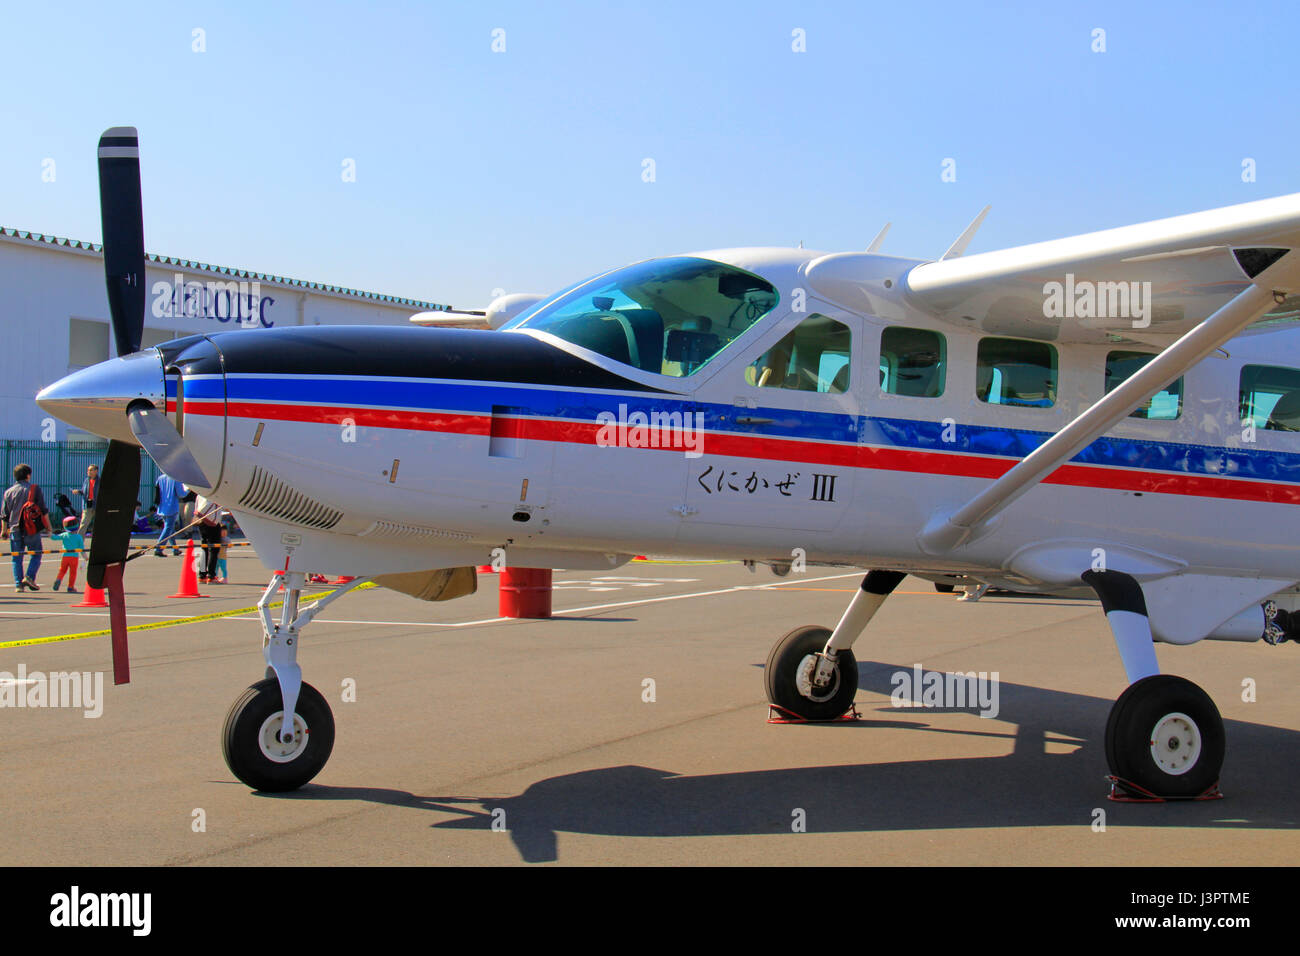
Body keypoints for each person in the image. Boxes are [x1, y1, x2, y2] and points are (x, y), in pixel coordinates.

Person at [2, 463, 53, 591]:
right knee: (36, 553)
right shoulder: (34, 489)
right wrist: (48, 527)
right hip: (32, 528)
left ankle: (18, 584)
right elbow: (43, 510)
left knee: (16, 558)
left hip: (14, 529)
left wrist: (3, 531)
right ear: (28, 476)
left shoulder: (8, 492)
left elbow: (4, 515)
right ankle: (29, 577)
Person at [154, 474, 186, 556]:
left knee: (170, 529)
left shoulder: (160, 478)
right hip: (171, 507)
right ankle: (158, 548)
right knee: (168, 528)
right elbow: (181, 494)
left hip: (162, 506)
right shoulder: (176, 478)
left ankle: (175, 549)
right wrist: (188, 490)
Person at [50, 515, 83, 593]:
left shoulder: (64, 535)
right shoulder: (78, 537)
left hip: (65, 556)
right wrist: (85, 557)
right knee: (73, 573)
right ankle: (70, 587)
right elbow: (81, 549)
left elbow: (54, 538)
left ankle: (58, 579)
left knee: (62, 570)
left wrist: (50, 533)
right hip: (74, 557)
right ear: (77, 526)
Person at [197, 501, 223, 583]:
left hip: (201, 521)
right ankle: (211, 576)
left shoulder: (200, 494)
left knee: (204, 549)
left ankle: (202, 575)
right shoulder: (215, 495)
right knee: (214, 550)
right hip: (212, 522)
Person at [71, 464, 99, 536]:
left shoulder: (100, 481)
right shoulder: (86, 480)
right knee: (83, 524)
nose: (88, 472)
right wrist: (78, 491)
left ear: (96, 471)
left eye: (90, 470)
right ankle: (79, 544)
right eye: (88, 470)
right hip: (87, 506)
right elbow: (84, 492)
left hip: (97, 506)